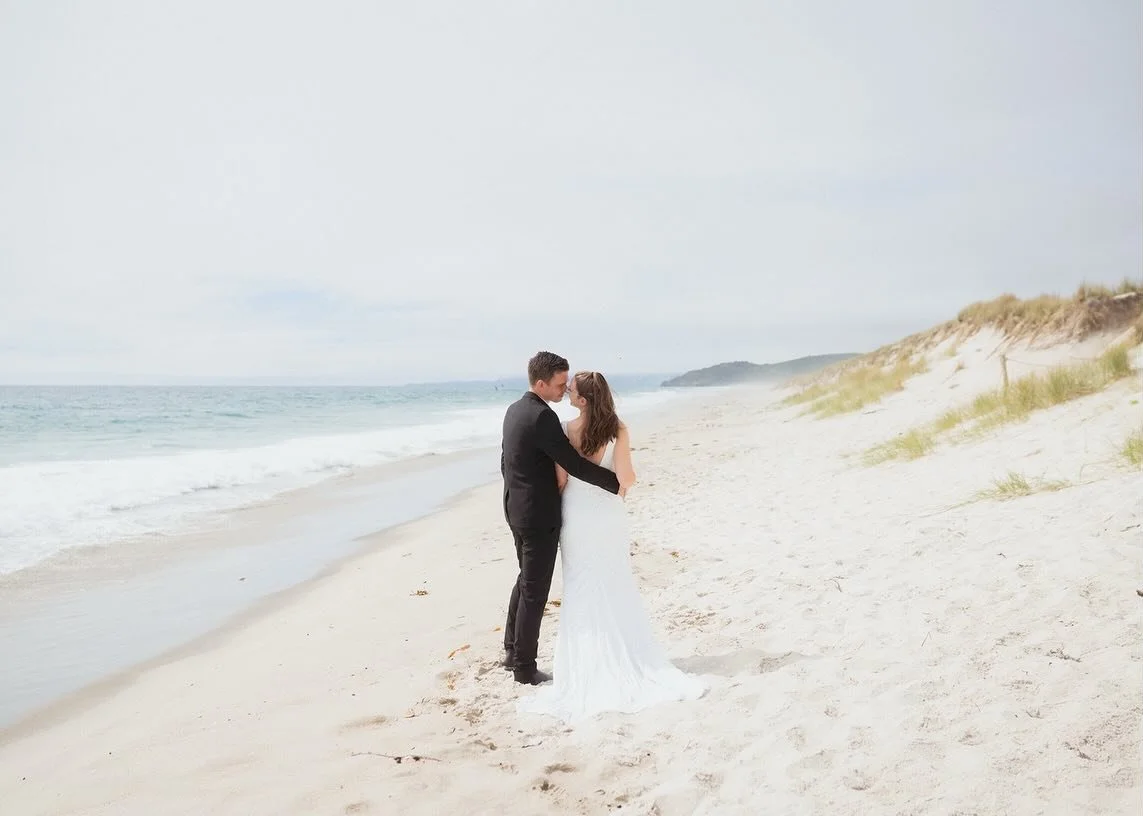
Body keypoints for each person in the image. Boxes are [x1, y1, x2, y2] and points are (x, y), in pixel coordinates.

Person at [517, 370, 706, 722]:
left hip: (576, 516)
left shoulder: (566, 428)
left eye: (571, 390)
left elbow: (560, 478)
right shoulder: (617, 428)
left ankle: (587, 661)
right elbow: (626, 479)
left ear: (583, 400)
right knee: (616, 582)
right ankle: (628, 652)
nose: (567, 393)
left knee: (580, 585)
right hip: (608, 516)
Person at [501, 351, 621, 685]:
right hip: (539, 516)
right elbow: (573, 463)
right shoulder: (542, 417)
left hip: (515, 509)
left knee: (525, 580)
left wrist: (516, 494)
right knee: (535, 591)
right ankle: (524, 667)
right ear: (540, 383)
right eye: (558, 384)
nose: (563, 389)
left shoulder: (513, 411)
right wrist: (615, 484)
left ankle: (512, 652)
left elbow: (505, 463)